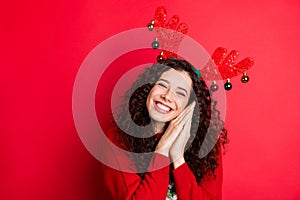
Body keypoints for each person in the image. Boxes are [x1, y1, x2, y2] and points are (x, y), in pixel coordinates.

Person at [100, 58, 228, 200]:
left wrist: (178, 158)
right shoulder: (119, 137)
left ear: (190, 107)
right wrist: (162, 151)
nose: (167, 96)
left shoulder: (206, 144)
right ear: (148, 88)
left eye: (180, 93)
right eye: (162, 84)